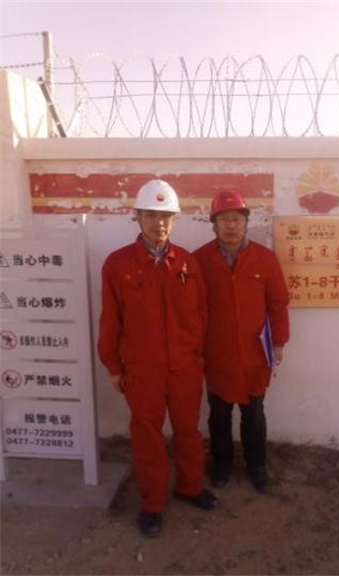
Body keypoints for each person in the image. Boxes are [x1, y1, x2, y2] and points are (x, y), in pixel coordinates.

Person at [98, 179, 217, 538]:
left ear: (175, 220)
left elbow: (201, 314)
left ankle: (190, 486)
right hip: (142, 370)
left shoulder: (188, 263)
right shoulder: (118, 265)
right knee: (147, 436)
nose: (159, 223)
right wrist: (113, 366)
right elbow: (110, 319)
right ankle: (152, 503)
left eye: (166, 216)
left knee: (188, 431)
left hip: (184, 368)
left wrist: (195, 356)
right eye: (151, 215)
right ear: (137, 217)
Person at [194, 189, 290, 494]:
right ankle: (221, 464)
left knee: (254, 412)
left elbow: (278, 304)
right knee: (219, 413)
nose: (231, 225)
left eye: (236, 218)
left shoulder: (265, 259)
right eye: (223, 219)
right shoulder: (199, 260)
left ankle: (256, 466)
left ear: (246, 222)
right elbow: (191, 308)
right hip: (216, 353)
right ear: (214, 224)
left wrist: (279, 342)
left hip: (254, 353)